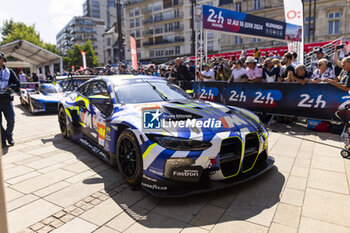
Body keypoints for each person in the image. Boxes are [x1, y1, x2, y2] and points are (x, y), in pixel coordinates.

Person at [0, 52, 20, 148]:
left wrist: (9, 87)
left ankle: (9, 135)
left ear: (3, 60)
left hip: (7, 100)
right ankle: (3, 138)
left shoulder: (9, 71)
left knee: (11, 119)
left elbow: (17, 84)